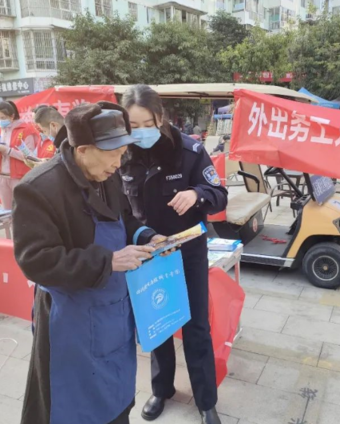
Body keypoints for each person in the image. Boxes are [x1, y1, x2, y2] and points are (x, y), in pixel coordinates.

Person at [13, 102, 163, 424]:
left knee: (117, 401)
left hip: (113, 313)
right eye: (113, 154)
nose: (118, 163)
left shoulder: (107, 175)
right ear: (82, 149)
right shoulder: (38, 188)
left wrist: (146, 236)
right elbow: (35, 261)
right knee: (72, 409)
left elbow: (124, 218)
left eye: (122, 153)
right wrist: (108, 261)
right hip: (71, 320)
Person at [119, 85, 228, 424]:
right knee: (157, 323)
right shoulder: (122, 153)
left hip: (187, 250)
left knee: (196, 326)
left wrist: (197, 194)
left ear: (160, 117)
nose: (140, 132)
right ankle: (161, 389)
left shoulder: (189, 151)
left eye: (147, 123)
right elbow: (121, 208)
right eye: (133, 126)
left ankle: (206, 400)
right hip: (148, 251)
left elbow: (219, 194)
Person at [0, 101, 40, 209]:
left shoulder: (25, 129)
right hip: (2, 176)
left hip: (19, 177)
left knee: (22, 210)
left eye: (3, 118)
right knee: (6, 212)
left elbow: (30, 157)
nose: (0, 120)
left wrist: (7, 150)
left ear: (12, 116)